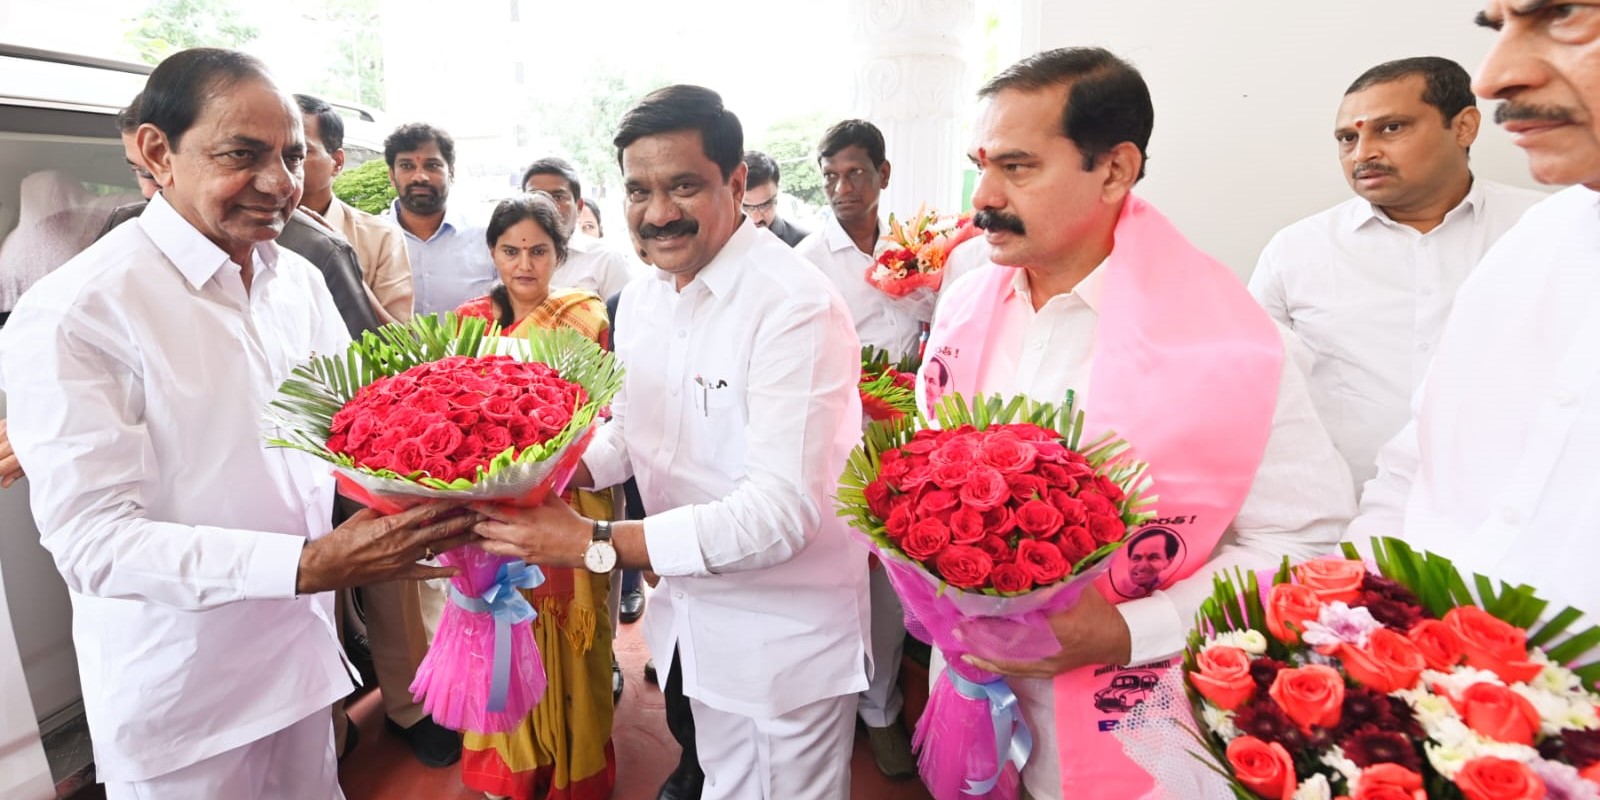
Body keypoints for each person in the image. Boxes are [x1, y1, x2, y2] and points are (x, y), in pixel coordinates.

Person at [0, 47, 478, 800]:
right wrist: (311, 564)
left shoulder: (298, 281)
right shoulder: (77, 311)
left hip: (302, 666)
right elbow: (94, 545)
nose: (279, 184)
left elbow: (340, 436)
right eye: (242, 155)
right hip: (187, 702)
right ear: (158, 152)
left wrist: (443, 494)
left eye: (291, 156)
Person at [924, 48, 1353, 798]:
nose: (981, 198)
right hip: (976, 689)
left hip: (1147, 712)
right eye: (980, 164)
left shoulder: (1232, 345)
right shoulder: (966, 308)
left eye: (1018, 168)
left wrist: (1130, 630)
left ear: (1116, 170)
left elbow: (1304, 543)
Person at [470, 84, 870, 800]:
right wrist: (514, 474)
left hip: (781, 641)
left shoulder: (793, 307)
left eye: (683, 186)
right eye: (638, 190)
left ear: (737, 183)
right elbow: (628, 434)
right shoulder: (650, 297)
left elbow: (779, 514)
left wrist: (592, 541)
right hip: (691, 618)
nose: (657, 213)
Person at [1345, 1, 1600, 620]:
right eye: (1499, 28)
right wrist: (1349, 619)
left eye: (1563, 16)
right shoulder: (1535, 242)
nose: (1492, 78)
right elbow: (1414, 470)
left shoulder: (1508, 224)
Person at [1249, 57, 1544, 486]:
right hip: (1345, 525)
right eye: (1347, 138)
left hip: (1516, 513)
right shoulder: (1296, 251)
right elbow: (1252, 392)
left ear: (1464, 127)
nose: (1363, 152)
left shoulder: (1548, 228)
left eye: (1391, 128)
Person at [451, 192, 616, 800]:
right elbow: (456, 411)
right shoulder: (470, 321)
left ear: (560, 254)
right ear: (493, 251)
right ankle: (513, 770)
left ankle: (573, 768)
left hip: (571, 498)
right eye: (511, 250)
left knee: (576, 644)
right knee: (498, 630)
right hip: (489, 503)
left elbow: (602, 414)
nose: (524, 264)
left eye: (538, 251)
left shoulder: (585, 317)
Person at [794, 118, 919, 779]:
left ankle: (882, 708)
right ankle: (838, 705)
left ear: (884, 175)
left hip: (908, 436)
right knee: (843, 571)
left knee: (896, 580)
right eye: (831, 176)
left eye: (857, 173)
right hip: (839, 437)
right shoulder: (809, 261)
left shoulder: (919, 250)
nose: (843, 187)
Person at [295, 94, 415, 322]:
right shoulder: (248, 233)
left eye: (299, 151)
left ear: (337, 162)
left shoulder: (380, 238)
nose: (283, 162)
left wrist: (346, 269)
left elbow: (402, 343)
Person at [385, 123, 495, 316]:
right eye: (407, 166)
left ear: (451, 173)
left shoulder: (487, 238)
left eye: (432, 165)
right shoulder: (369, 241)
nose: (420, 176)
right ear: (392, 176)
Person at [520, 157, 637, 302]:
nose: (546, 204)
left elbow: (625, 320)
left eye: (557, 197)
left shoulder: (606, 260)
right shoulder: (511, 260)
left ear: (579, 206)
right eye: (536, 196)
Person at [741, 150, 808, 247]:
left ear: (777, 191)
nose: (756, 218)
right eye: (745, 206)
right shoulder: (720, 245)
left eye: (765, 205)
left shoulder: (804, 243)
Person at [1117, 528, 1179, 599]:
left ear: (1169, 562)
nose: (1141, 567)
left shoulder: (1174, 592)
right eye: (1136, 558)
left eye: (1153, 558)